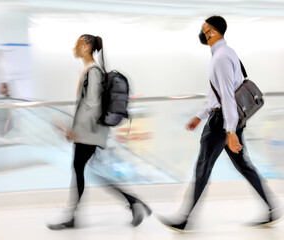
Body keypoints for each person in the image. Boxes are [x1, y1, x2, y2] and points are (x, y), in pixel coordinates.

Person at [159, 15, 281, 232]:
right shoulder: (226, 53)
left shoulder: (221, 57)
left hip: (221, 122)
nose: (201, 32)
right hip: (225, 119)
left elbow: (227, 96)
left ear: (212, 32)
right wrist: (200, 115)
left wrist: (230, 131)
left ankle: (185, 218)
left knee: (202, 167)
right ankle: (272, 208)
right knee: (243, 165)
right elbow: (220, 95)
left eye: (204, 29)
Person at [47, 34, 151, 230]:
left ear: (86, 47)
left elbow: (92, 104)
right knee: (87, 171)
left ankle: (75, 216)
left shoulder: (93, 71)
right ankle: (133, 202)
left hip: (90, 132)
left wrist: (74, 131)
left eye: (77, 44)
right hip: (90, 131)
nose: (73, 48)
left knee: (79, 169)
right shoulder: (89, 69)